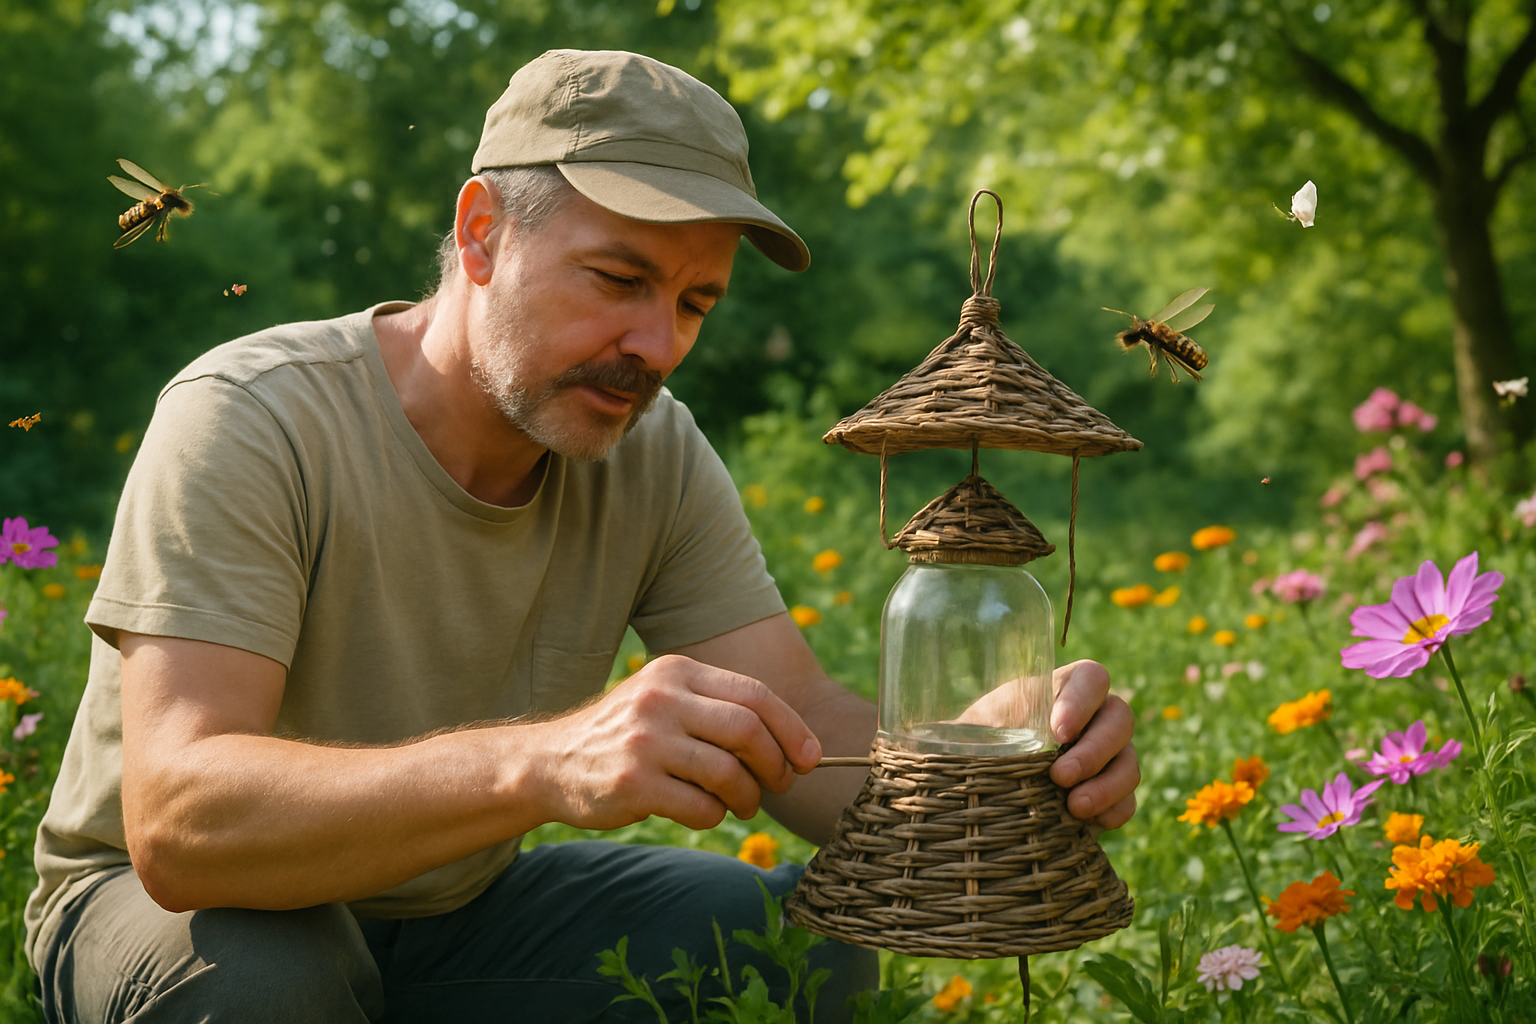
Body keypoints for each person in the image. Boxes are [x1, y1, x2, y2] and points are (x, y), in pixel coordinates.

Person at [25, 49, 1139, 1023]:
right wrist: (541, 759)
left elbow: (802, 730)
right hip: (169, 910)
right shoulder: (254, 416)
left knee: (801, 943)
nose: (654, 345)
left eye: (696, 305)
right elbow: (181, 825)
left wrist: (983, 757)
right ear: (480, 235)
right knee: (276, 979)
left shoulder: (648, 444)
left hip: (456, 912)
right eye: (619, 279)